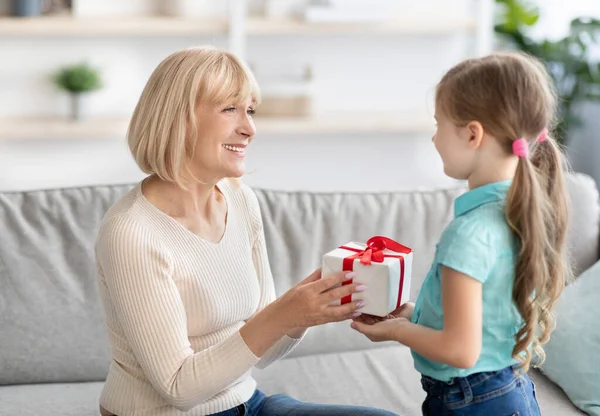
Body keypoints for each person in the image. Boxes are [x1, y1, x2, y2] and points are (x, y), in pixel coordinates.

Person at [95, 46, 398, 416]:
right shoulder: (131, 231)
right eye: (229, 109)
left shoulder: (240, 200)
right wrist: (286, 313)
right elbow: (178, 388)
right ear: (179, 119)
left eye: (250, 110)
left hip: (245, 404)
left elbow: (263, 349)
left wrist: (310, 308)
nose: (249, 128)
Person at [351, 51, 572, 415]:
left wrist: (395, 332)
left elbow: (460, 350)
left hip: (473, 402)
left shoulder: (469, 232)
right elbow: (480, 325)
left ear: (473, 134)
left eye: (439, 124)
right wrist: (407, 314)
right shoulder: (517, 214)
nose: (435, 139)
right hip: (508, 391)